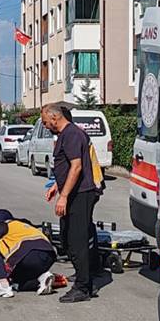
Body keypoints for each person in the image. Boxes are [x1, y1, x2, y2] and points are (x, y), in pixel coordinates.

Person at [41, 103, 104, 303]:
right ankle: (84, 279)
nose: (44, 125)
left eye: (45, 121)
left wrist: (65, 196)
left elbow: (76, 167)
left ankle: (83, 287)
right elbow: (67, 167)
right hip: (72, 193)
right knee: (68, 240)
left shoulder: (72, 134)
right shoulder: (65, 135)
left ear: (54, 118)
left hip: (80, 195)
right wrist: (57, 187)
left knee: (77, 241)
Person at [0, 209, 56, 298]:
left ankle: (3, 285)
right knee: (16, 283)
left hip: (29, 255)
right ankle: (43, 278)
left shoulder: (2, 225)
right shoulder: (22, 224)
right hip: (49, 255)